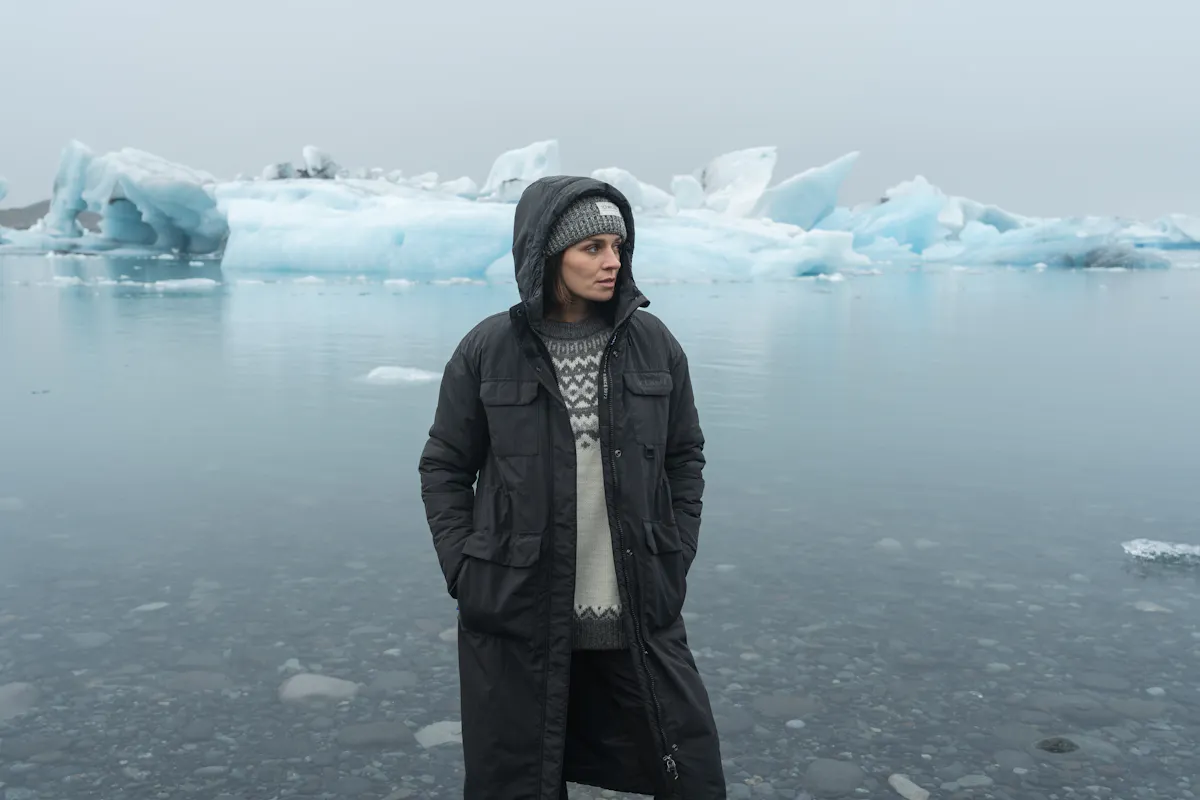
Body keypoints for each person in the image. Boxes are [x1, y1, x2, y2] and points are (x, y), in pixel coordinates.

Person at [418, 176, 726, 799]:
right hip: (517, 614)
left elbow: (684, 455)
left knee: (690, 777)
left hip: (638, 611)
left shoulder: (654, 344)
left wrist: (676, 549)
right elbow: (445, 467)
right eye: (592, 248)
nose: (613, 261)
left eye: (618, 245)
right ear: (548, 255)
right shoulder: (488, 349)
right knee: (519, 784)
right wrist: (465, 569)